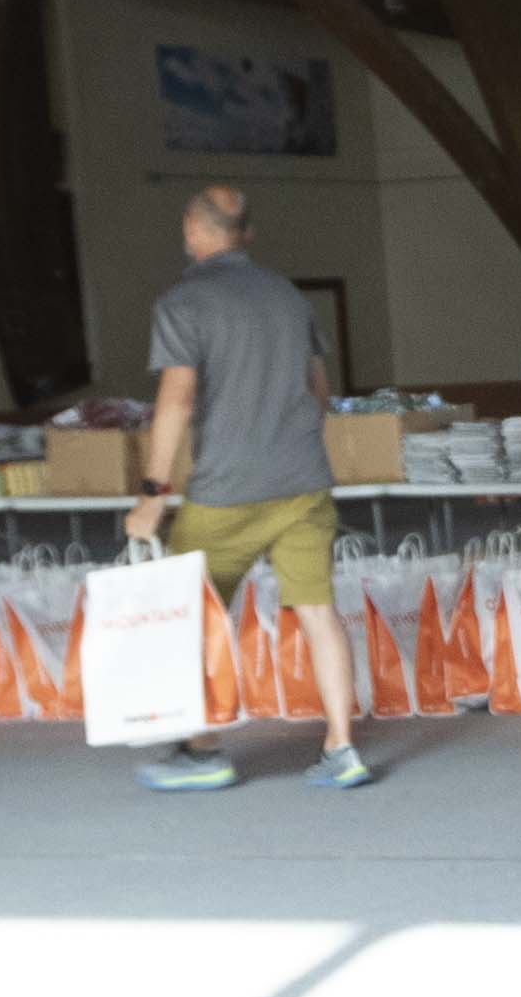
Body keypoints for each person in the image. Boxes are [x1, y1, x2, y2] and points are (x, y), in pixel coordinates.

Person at [121, 184, 374, 793]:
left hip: (224, 491)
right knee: (319, 612)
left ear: (192, 230)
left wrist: (154, 490)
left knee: (195, 617)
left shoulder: (183, 302)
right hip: (303, 484)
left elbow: (177, 399)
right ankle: (341, 747)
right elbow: (319, 390)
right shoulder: (289, 296)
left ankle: (204, 749)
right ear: (249, 235)